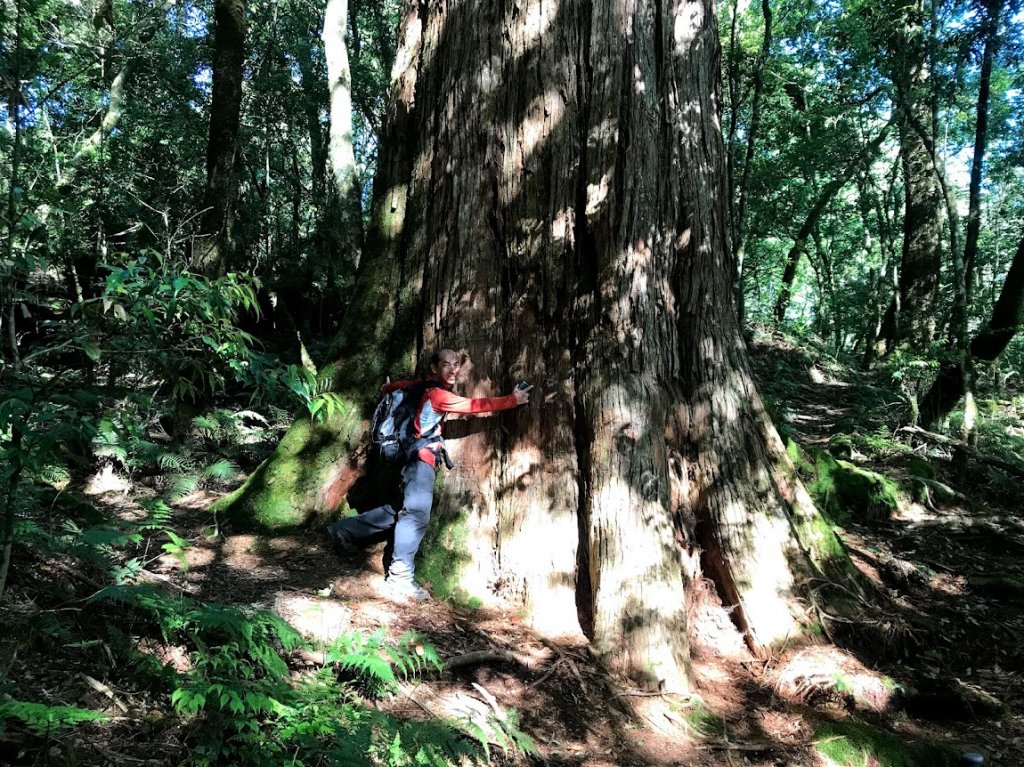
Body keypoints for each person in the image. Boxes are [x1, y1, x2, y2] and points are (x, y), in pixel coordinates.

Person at [327, 348, 532, 600]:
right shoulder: (437, 395)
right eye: (446, 364)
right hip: (420, 461)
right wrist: (512, 400)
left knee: (400, 509)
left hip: (406, 459)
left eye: (456, 364)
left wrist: (387, 389)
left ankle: (345, 529)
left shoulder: (420, 385)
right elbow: (474, 406)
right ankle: (400, 579)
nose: (453, 369)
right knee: (415, 515)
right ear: (435, 368)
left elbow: (397, 387)